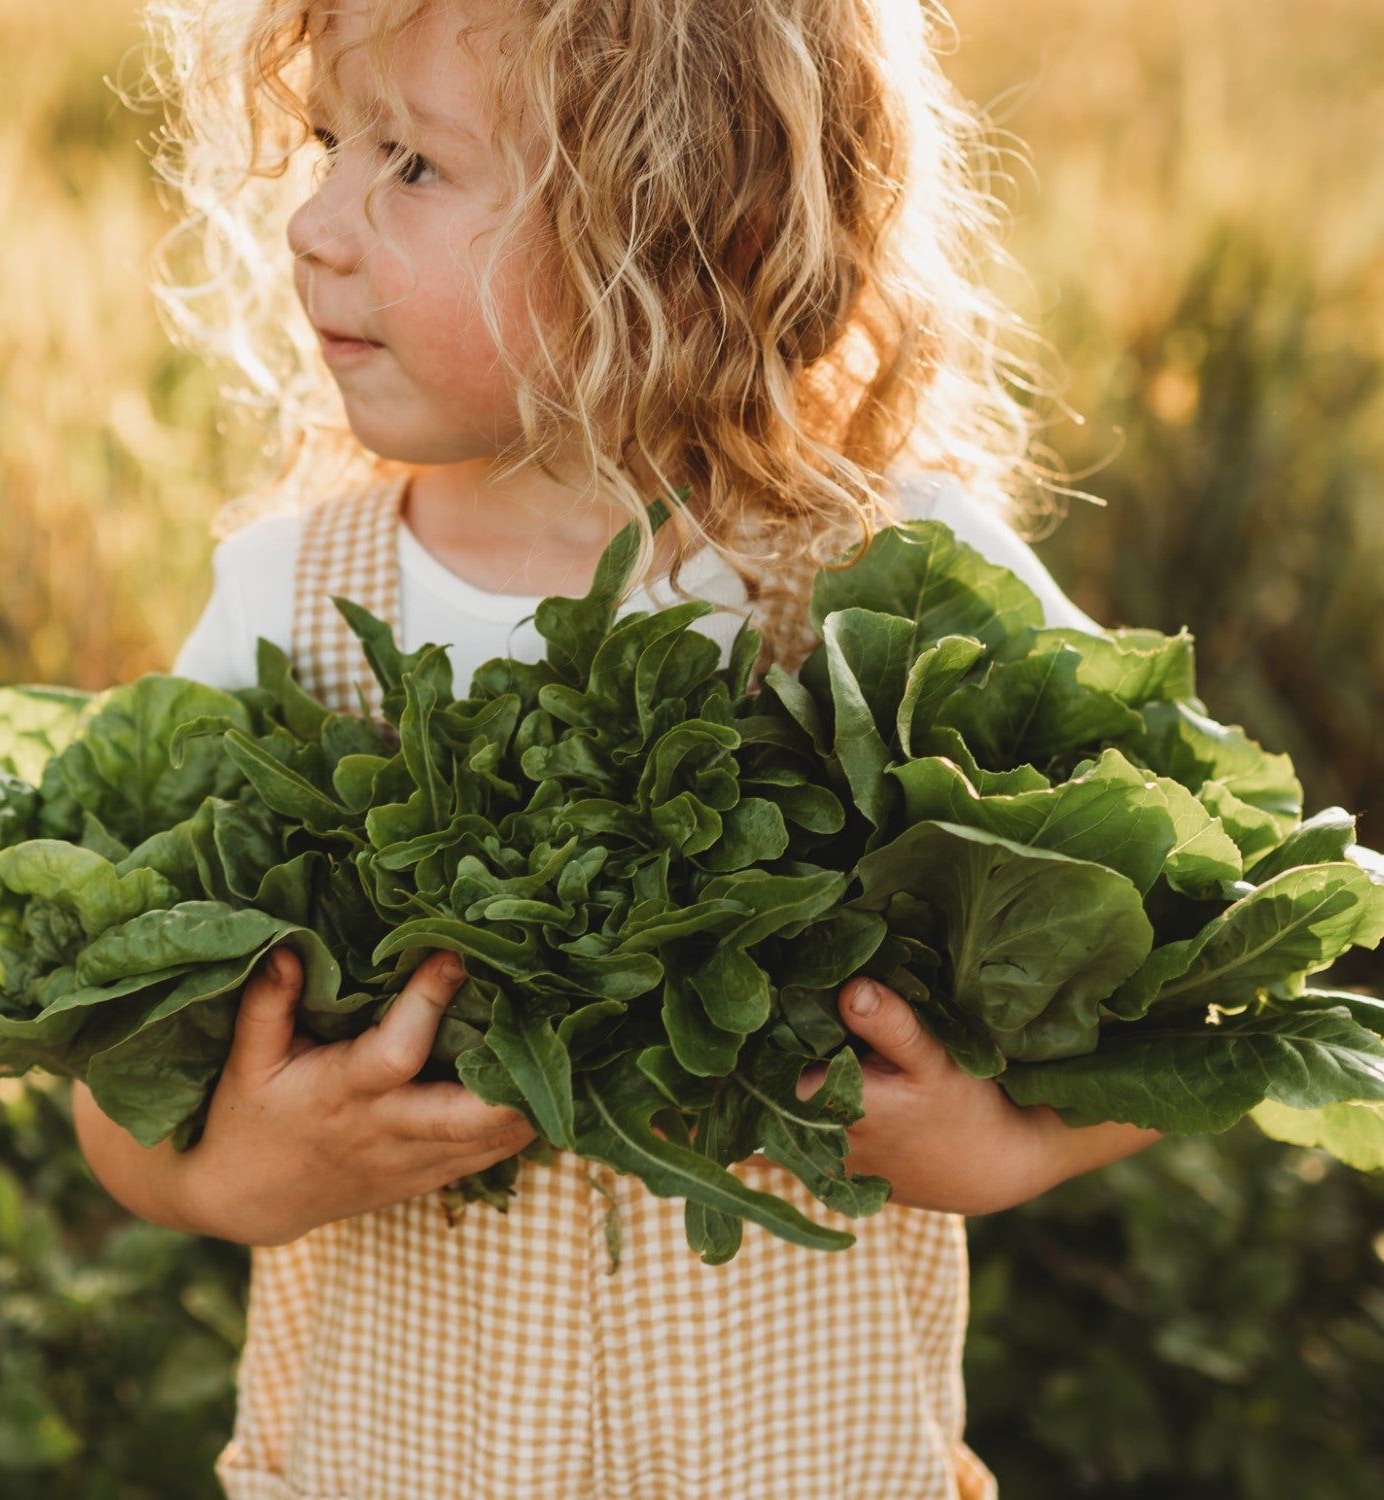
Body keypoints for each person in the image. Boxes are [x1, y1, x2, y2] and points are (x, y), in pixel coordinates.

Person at [73, 1, 1159, 1494]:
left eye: (412, 166)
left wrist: (1014, 1146)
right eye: (330, 143)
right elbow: (105, 1072)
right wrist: (230, 1175)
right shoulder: (294, 614)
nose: (314, 223)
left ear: (672, 220)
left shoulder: (888, 588)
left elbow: (1199, 975)